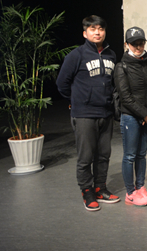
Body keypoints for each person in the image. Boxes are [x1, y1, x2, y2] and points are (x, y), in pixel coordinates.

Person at [57, 15, 119, 212]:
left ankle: (100, 188)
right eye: (92, 29)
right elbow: (62, 84)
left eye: (100, 28)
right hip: (84, 114)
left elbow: (112, 83)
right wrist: (78, 100)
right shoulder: (76, 55)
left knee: (104, 155)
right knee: (85, 156)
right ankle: (87, 191)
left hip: (105, 113)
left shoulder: (111, 55)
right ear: (85, 33)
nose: (97, 32)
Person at [114, 27, 147, 206]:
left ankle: (140, 187)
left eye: (141, 43)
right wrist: (143, 114)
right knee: (130, 155)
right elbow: (125, 97)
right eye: (134, 44)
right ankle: (130, 192)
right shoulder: (121, 67)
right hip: (130, 117)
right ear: (127, 44)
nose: (138, 47)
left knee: (142, 154)